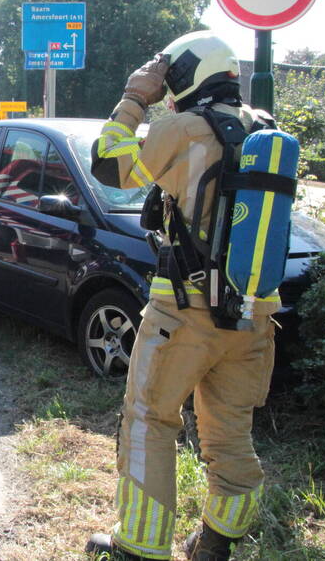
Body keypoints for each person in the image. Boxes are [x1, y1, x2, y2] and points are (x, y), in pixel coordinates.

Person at [86, 32, 279, 561]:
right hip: (256, 315)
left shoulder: (184, 128)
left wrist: (133, 97)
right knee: (231, 431)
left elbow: (109, 166)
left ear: (185, 76)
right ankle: (217, 542)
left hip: (184, 312)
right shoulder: (264, 128)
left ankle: (140, 547)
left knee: (150, 419)